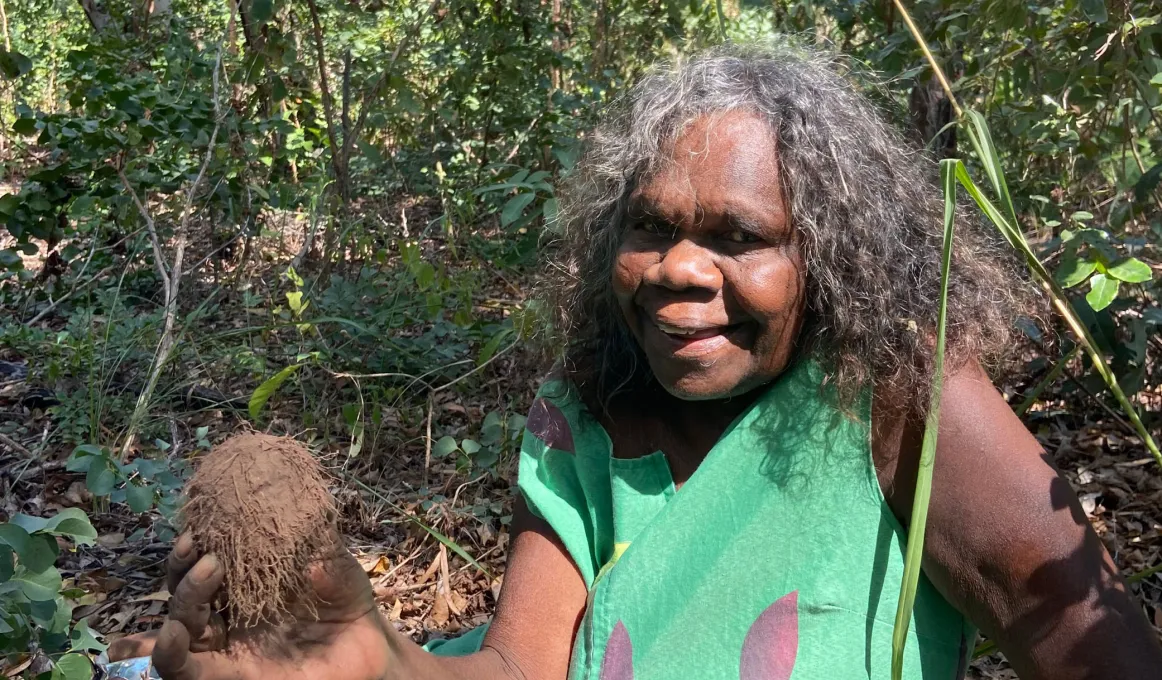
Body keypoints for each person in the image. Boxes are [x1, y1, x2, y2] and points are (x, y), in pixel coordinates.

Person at [108, 42, 1162, 679]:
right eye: (649, 229)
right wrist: (376, 655)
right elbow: (521, 662)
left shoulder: (890, 398)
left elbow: (1081, 626)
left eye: (739, 238)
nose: (676, 271)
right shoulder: (585, 414)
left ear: (827, 259)